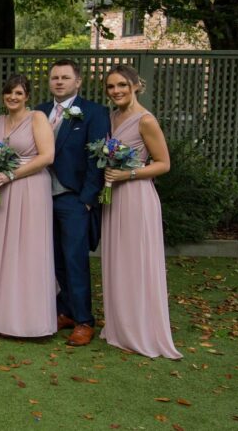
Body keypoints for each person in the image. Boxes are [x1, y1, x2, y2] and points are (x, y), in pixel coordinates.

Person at [99, 65, 182, 359]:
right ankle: (121, 326)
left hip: (136, 196)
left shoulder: (146, 120)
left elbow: (163, 164)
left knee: (136, 261)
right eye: (111, 86)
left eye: (122, 85)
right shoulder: (111, 117)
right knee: (118, 261)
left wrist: (128, 174)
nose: (116, 91)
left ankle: (142, 330)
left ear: (135, 85)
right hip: (114, 197)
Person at [34, 59, 109, 347]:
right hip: (41, 197)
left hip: (73, 198)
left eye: (65, 77)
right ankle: (65, 310)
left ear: (78, 81)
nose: (59, 82)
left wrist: (87, 200)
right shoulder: (39, 111)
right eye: (55, 77)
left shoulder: (94, 112)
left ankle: (84, 321)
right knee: (54, 258)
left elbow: (97, 157)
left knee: (75, 259)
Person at [0, 74, 56, 338]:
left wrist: (11, 174)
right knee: (5, 250)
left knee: (29, 250)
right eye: (9, 92)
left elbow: (47, 156)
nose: (13, 97)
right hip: (2, 191)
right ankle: (2, 319)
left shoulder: (37, 118)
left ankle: (33, 322)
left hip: (31, 188)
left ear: (27, 96)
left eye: (18, 93)